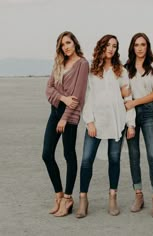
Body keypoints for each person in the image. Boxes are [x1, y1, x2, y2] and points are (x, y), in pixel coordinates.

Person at [76, 34, 135, 218]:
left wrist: (130, 124)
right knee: (86, 160)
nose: (111, 49)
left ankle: (112, 198)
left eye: (114, 46)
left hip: (116, 122)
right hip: (96, 122)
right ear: (101, 47)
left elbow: (128, 98)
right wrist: (90, 121)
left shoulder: (121, 71)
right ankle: (83, 200)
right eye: (108, 45)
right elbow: (88, 97)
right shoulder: (92, 70)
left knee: (114, 159)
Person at [42, 31, 89, 217]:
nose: (66, 47)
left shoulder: (83, 64)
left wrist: (64, 117)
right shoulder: (59, 63)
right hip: (55, 111)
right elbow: (48, 88)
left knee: (69, 154)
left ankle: (68, 198)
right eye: (62, 45)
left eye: (68, 43)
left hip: (69, 116)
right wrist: (61, 97)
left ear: (75, 43)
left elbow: (77, 96)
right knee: (47, 154)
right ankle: (59, 195)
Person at [124, 33, 153, 218]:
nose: (140, 48)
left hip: (149, 112)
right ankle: (138, 196)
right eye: (136, 45)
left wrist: (135, 102)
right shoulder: (126, 68)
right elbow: (124, 94)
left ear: (147, 47)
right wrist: (130, 107)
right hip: (131, 115)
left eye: (143, 45)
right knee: (134, 156)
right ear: (132, 47)